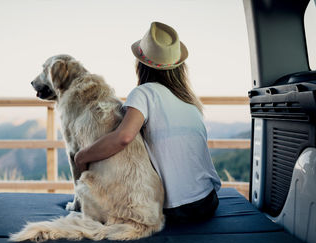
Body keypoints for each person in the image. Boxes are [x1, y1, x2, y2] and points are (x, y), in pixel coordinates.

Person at [74, 22, 221, 223]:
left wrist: (82, 156)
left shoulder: (144, 93)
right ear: (179, 67)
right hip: (209, 200)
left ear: (140, 64)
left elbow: (123, 138)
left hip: (179, 209)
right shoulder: (189, 102)